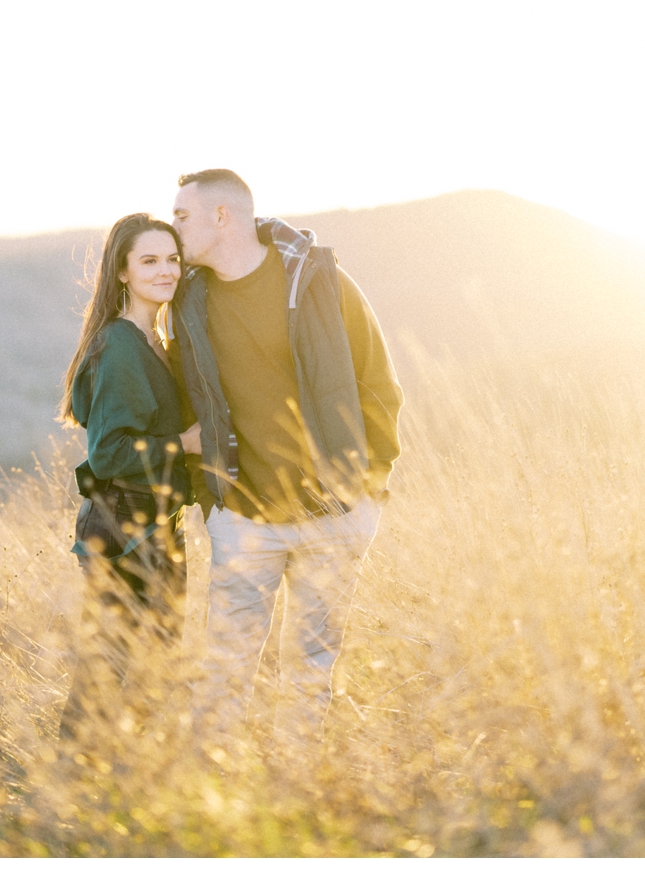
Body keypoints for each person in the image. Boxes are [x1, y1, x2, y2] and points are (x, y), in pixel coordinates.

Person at [166, 169, 404, 747]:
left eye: (181, 216)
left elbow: (377, 383)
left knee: (310, 673)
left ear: (223, 217)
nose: (173, 229)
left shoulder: (317, 280)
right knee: (224, 673)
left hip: (333, 517)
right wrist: (212, 501)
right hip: (244, 521)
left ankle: (290, 797)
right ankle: (208, 807)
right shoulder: (187, 301)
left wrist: (366, 491)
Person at [57, 213, 202, 743]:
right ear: (122, 272)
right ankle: (69, 792)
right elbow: (111, 453)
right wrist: (185, 444)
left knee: (148, 670)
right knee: (110, 673)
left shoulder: (153, 337)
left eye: (172, 259)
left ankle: (123, 790)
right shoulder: (120, 344)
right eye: (149, 261)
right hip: (124, 528)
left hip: (157, 526)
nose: (166, 271)